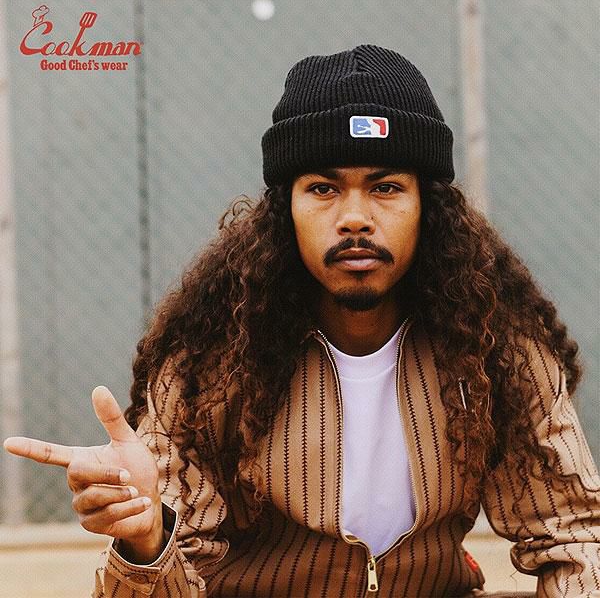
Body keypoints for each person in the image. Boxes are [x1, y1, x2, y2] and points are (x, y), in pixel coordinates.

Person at [4, 44, 600, 598]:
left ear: (430, 207)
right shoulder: (213, 358)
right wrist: (147, 540)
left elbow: (575, 538)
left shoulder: (492, 348)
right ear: (284, 209)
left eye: (386, 187)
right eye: (322, 189)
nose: (355, 218)